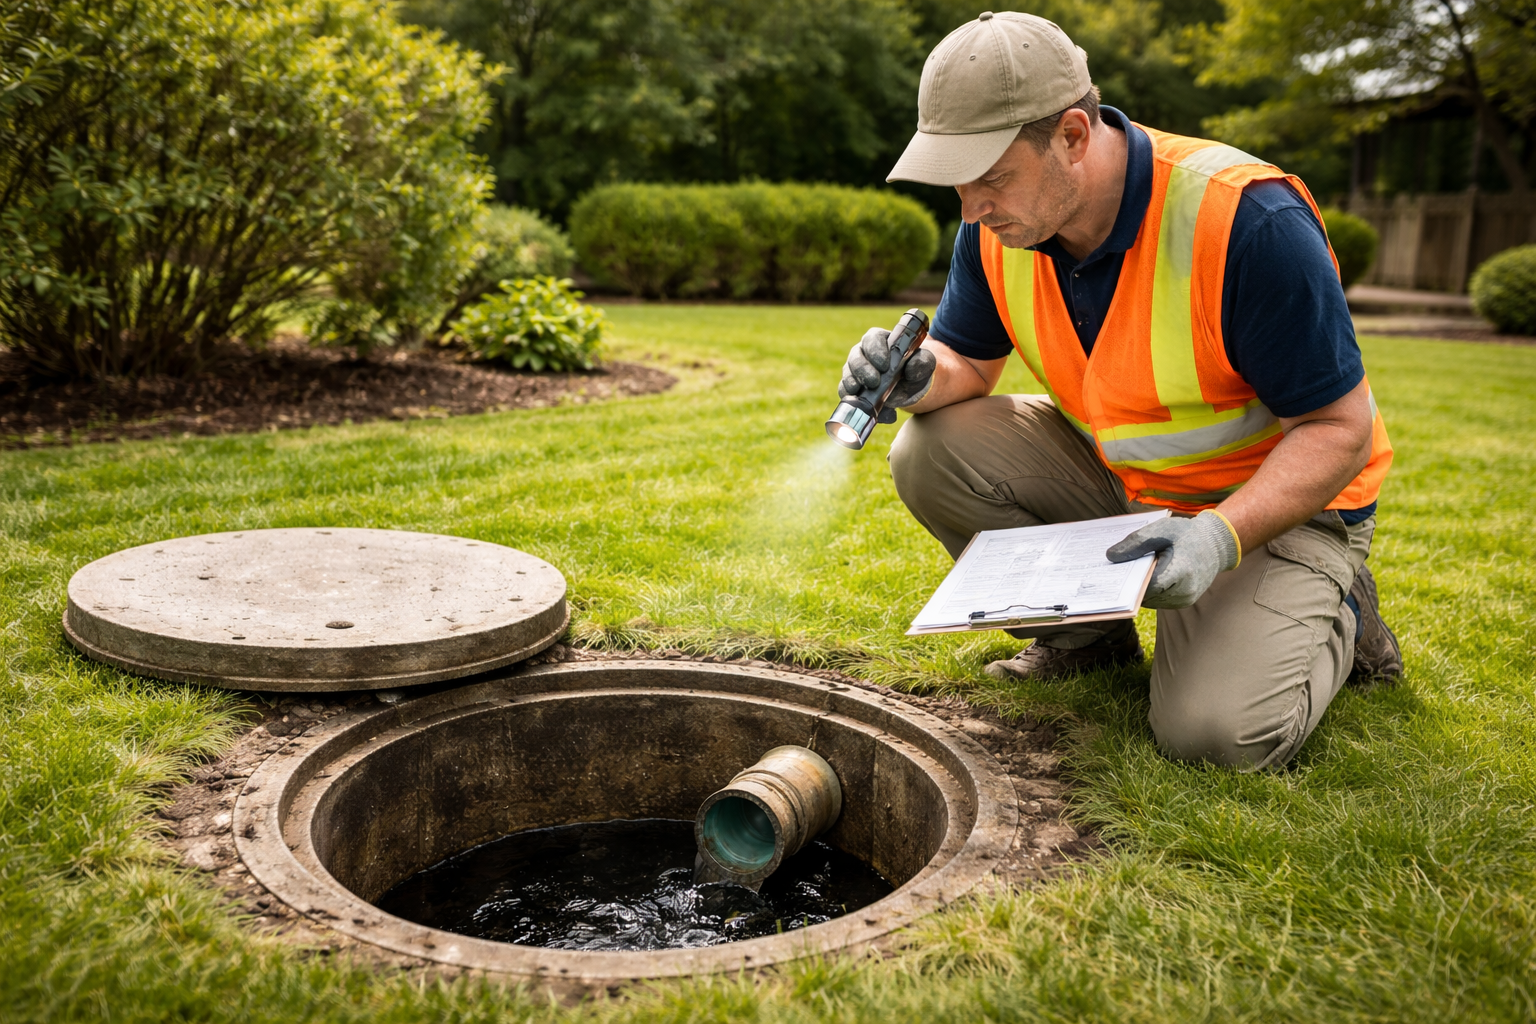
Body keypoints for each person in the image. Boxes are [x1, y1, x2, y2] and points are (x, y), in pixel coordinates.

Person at [842, 11, 1401, 770]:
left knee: (1214, 736)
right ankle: (1086, 642)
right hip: (1127, 479)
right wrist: (916, 377)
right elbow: (967, 365)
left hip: (1273, 507)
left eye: (992, 178)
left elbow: (1340, 428)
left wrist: (1218, 537)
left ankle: (1343, 608)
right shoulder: (1000, 227)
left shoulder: (1247, 221)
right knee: (929, 448)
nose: (970, 209)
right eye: (957, 184)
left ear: (1073, 135)